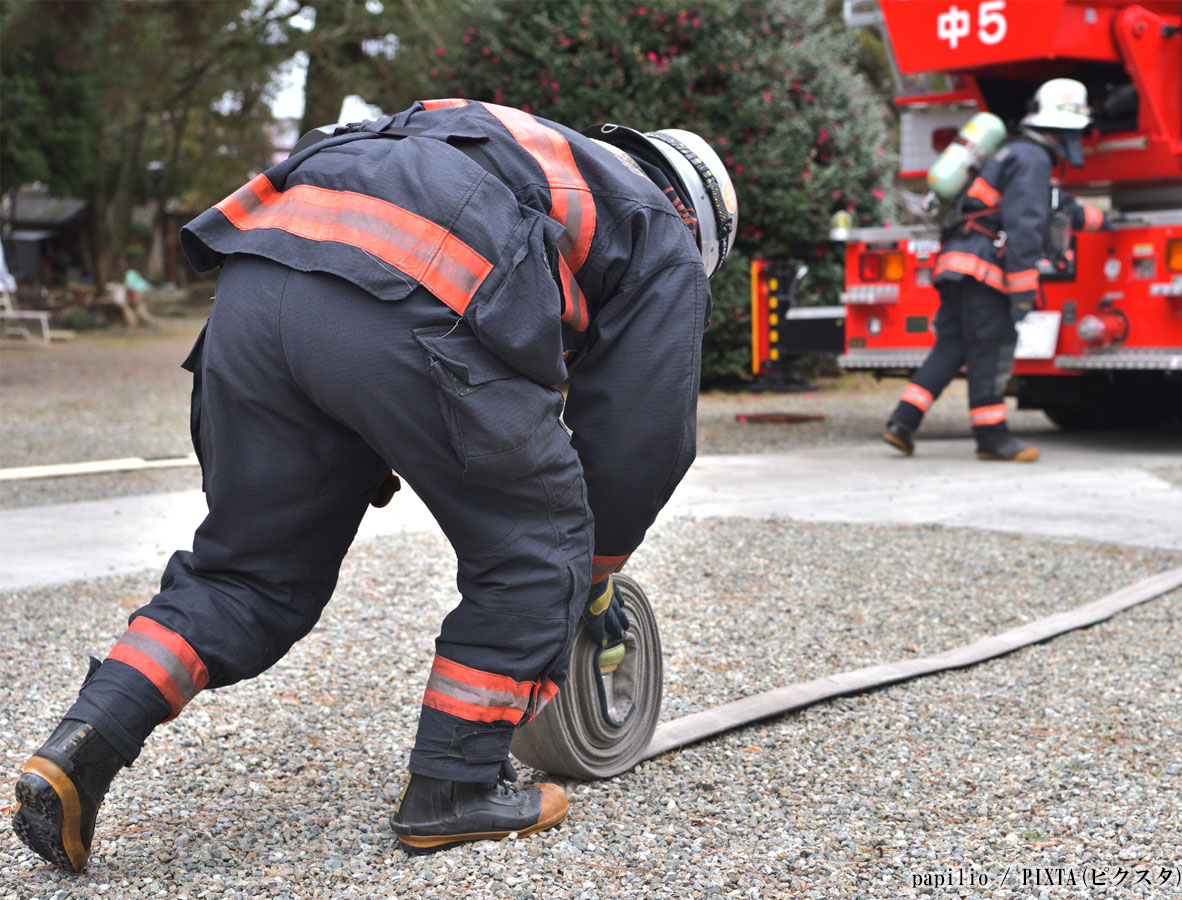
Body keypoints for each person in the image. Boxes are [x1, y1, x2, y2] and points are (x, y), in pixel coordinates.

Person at [12, 98, 737, 870]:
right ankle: (455, 790)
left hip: (257, 294)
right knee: (541, 548)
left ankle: (83, 743)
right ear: (695, 221)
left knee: (247, 573)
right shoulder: (660, 231)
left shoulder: (519, 146)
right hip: (407, 295)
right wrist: (588, 577)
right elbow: (642, 441)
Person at [883, 78, 1109, 462]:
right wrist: (1023, 291)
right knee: (991, 352)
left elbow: (1058, 207)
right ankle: (992, 439)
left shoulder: (1014, 154)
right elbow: (1025, 225)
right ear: (1065, 126)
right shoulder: (1034, 160)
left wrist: (1105, 220)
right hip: (984, 271)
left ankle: (901, 422)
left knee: (950, 348)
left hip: (957, 264)